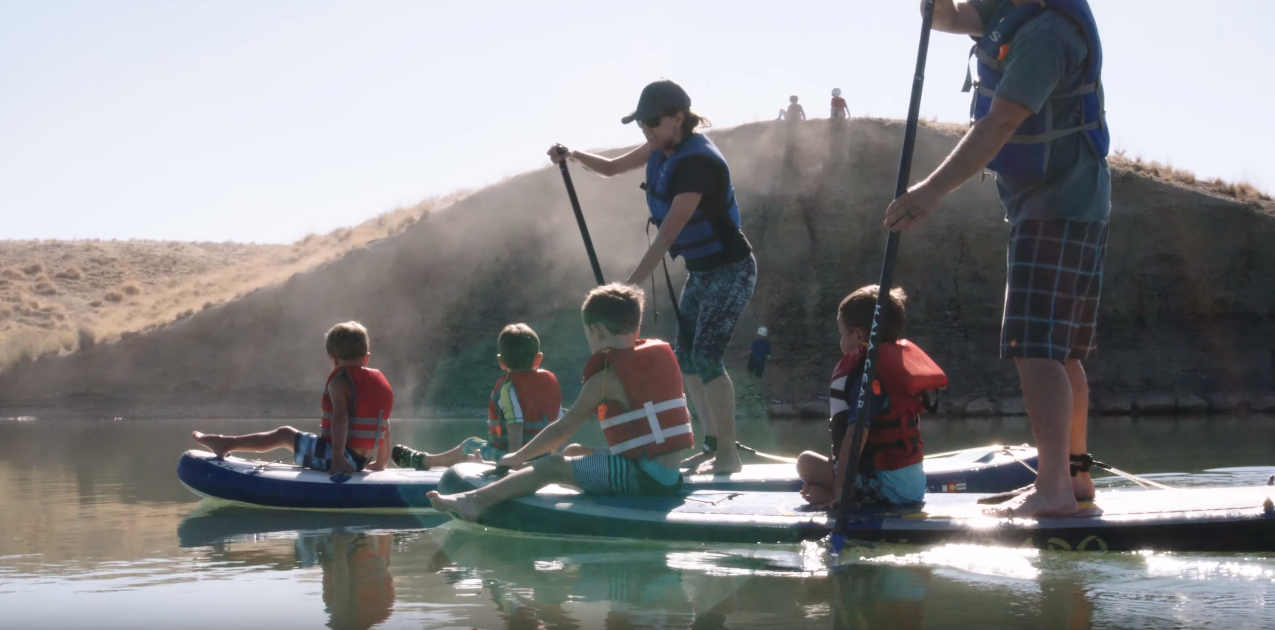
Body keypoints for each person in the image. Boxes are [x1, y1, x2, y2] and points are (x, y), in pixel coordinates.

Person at [884, 0, 1110, 517]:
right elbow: (943, 18)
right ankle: (1072, 482)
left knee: (1036, 347)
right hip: (1061, 200)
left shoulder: (1049, 31)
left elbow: (1000, 121)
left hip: (1058, 202)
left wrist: (930, 191)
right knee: (1060, 349)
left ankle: (1051, 490)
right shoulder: (1013, 7)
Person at [546, 80, 756, 474]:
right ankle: (711, 444)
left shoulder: (697, 164)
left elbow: (666, 237)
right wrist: (571, 155)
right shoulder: (662, 145)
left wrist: (626, 288)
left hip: (732, 270)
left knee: (708, 358)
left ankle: (729, 455)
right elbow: (610, 168)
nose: (646, 130)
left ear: (679, 117)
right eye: (641, 123)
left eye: (653, 122)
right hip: (701, 272)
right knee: (686, 360)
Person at [427, 283, 693, 521]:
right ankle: (521, 477)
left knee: (553, 465)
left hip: (644, 477)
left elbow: (561, 429)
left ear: (597, 331)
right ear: (636, 327)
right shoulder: (651, 364)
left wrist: (517, 456)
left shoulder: (606, 378)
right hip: (666, 474)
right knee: (574, 450)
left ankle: (474, 502)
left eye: (588, 335)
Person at [796, 286, 946, 508]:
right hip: (913, 486)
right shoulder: (895, 370)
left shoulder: (866, 377)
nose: (840, 341)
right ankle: (836, 490)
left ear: (858, 335)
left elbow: (855, 437)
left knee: (806, 463)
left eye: (841, 333)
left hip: (887, 489)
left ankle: (845, 492)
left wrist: (839, 494)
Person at [192, 321, 393, 476]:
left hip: (338, 457)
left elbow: (341, 417)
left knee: (284, 434)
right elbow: (383, 424)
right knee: (289, 435)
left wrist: (338, 459)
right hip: (362, 460)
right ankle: (225, 443)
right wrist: (381, 463)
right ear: (366, 358)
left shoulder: (340, 380)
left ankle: (225, 443)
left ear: (332, 358)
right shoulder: (378, 383)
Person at [391, 323, 562, 469]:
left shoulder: (509, 389)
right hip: (546, 458)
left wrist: (513, 464)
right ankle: (425, 460)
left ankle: (424, 461)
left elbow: (515, 426)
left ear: (501, 361)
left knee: (470, 444)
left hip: (516, 459)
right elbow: (559, 427)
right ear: (538, 359)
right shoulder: (550, 384)